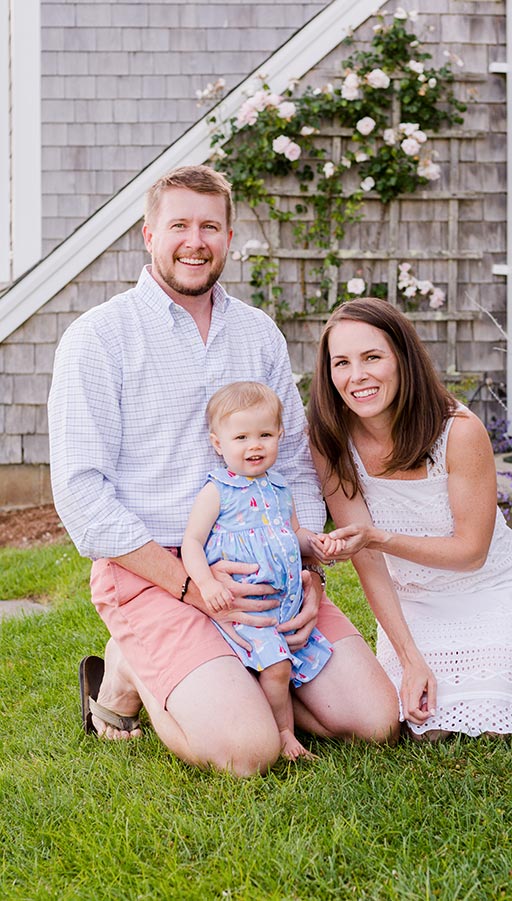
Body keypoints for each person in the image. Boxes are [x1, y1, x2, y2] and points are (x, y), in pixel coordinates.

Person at [48, 166, 399, 776]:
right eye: (178, 224)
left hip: (266, 564)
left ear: (229, 237)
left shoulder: (257, 332)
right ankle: (128, 668)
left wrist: (303, 571)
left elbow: (290, 458)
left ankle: (228, 671)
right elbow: (81, 496)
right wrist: (193, 589)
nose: (195, 241)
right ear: (147, 235)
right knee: (247, 753)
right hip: (157, 572)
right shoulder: (97, 338)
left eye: (210, 226)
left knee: (375, 721)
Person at [308, 297, 512, 742]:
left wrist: (379, 537)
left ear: (403, 359)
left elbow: (470, 553)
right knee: (420, 727)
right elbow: (369, 565)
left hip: (490, 590)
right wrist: (410, 658)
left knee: (495, 722)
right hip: (413, 604)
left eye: (372, 357)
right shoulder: (330, 440)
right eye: (341, 363)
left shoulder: (459, 431)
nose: (357, 376)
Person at [182, 380, 344, 761]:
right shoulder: (217, 491)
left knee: (288, 662)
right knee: (276, 666)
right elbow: (192, 541)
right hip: (246, 609)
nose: (254, 445)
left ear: (280, 436)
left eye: (265, 434)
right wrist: (205, 582)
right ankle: (284, 733)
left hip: (281, 606)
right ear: (218, 443)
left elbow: (293, 533)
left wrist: (316, 544)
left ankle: (278, 714)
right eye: (241, 437)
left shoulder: (280, 488)